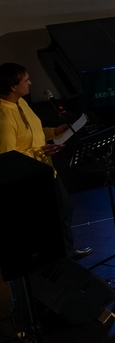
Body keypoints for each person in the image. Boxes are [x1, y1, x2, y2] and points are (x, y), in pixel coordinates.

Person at [0, 63, 90, 258]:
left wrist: (54, 132)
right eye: (26, 80)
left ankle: (64, 252)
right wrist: (39, 152)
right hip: (29, 177)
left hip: (44, 169)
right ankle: (56, 255)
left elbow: (33, 132)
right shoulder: (4, 117)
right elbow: (7, 157)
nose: (30, 83)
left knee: (64, 208)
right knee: (51, 214)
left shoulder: (21, 103)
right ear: (13, 86)